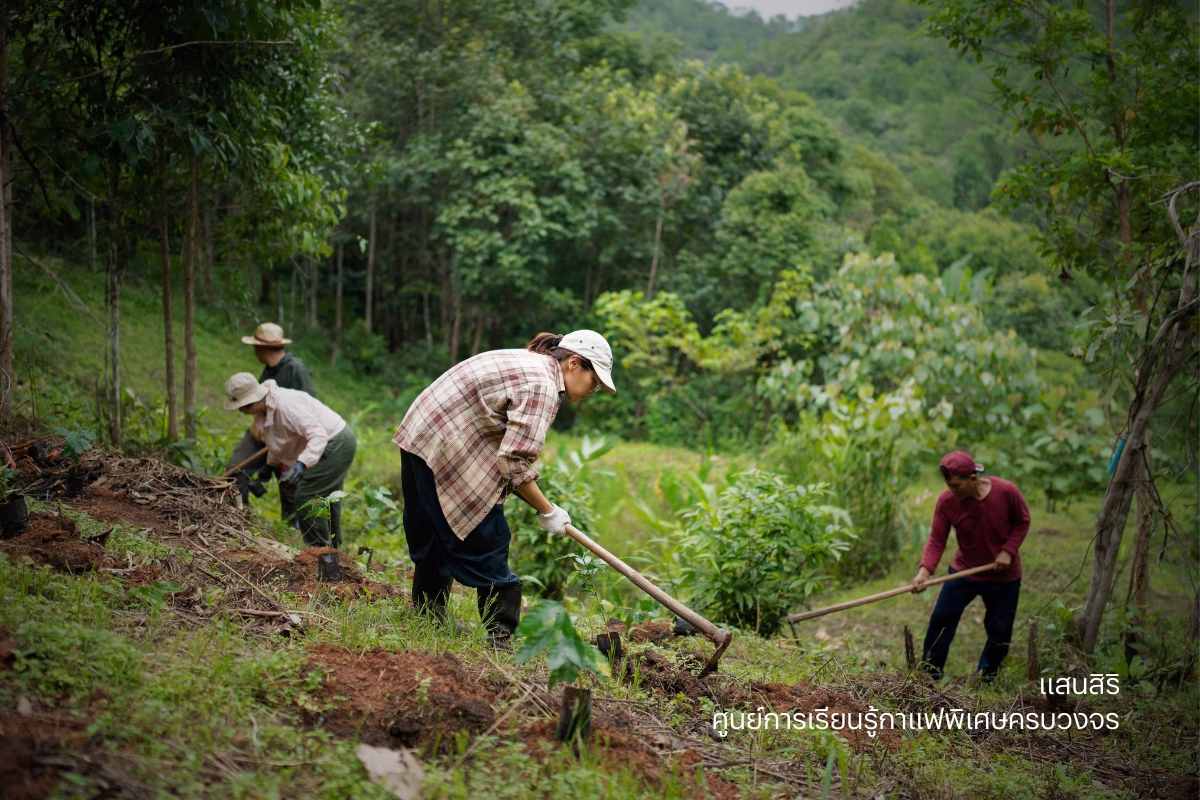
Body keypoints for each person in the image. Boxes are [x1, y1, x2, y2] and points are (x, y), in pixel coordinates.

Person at [392, 330, 616, 649]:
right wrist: (548, 510)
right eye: (594, 381)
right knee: (488, 539)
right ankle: (500, 641)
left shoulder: (532, 363)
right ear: (575, 363)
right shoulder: (544, 386)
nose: (593, 390)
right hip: (446, 442)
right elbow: (513, 461)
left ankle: (426, 619)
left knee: (431, 529)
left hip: (421, 433)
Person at [911, 451, 1031, 682]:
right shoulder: (947, 502)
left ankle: (987, 677)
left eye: (957, 485)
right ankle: (929, 675)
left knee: (999, 628)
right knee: (941, 619)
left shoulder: (1006, 492)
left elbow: (1023, 521)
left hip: (1003, 576)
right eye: (949, 485)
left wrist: (1008, 551)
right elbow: (937, 540)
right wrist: (924, 572)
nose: (952, 491)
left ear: (972, 478)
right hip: (964, 570)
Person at [223, 372, 356, 549]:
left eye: (242, 407)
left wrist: (302, 464)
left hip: (336, 442)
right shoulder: (263, 411)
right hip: (328, 441)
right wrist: (269, 466)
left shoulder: (286, 406)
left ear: (251, 401)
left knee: (306, 495)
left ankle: (321, 554)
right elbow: (279, 441)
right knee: (327, 497)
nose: (240, 411)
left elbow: (318, 434)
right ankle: (334, 553)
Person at [225, 323, 316, 521]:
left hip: (288, 438)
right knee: (236, 468)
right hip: (262, 436)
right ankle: (238, 519)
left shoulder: (295, 370)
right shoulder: (268, 371)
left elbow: (310, 410)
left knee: (291, 489)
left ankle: (293, 531)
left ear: (260, 348)